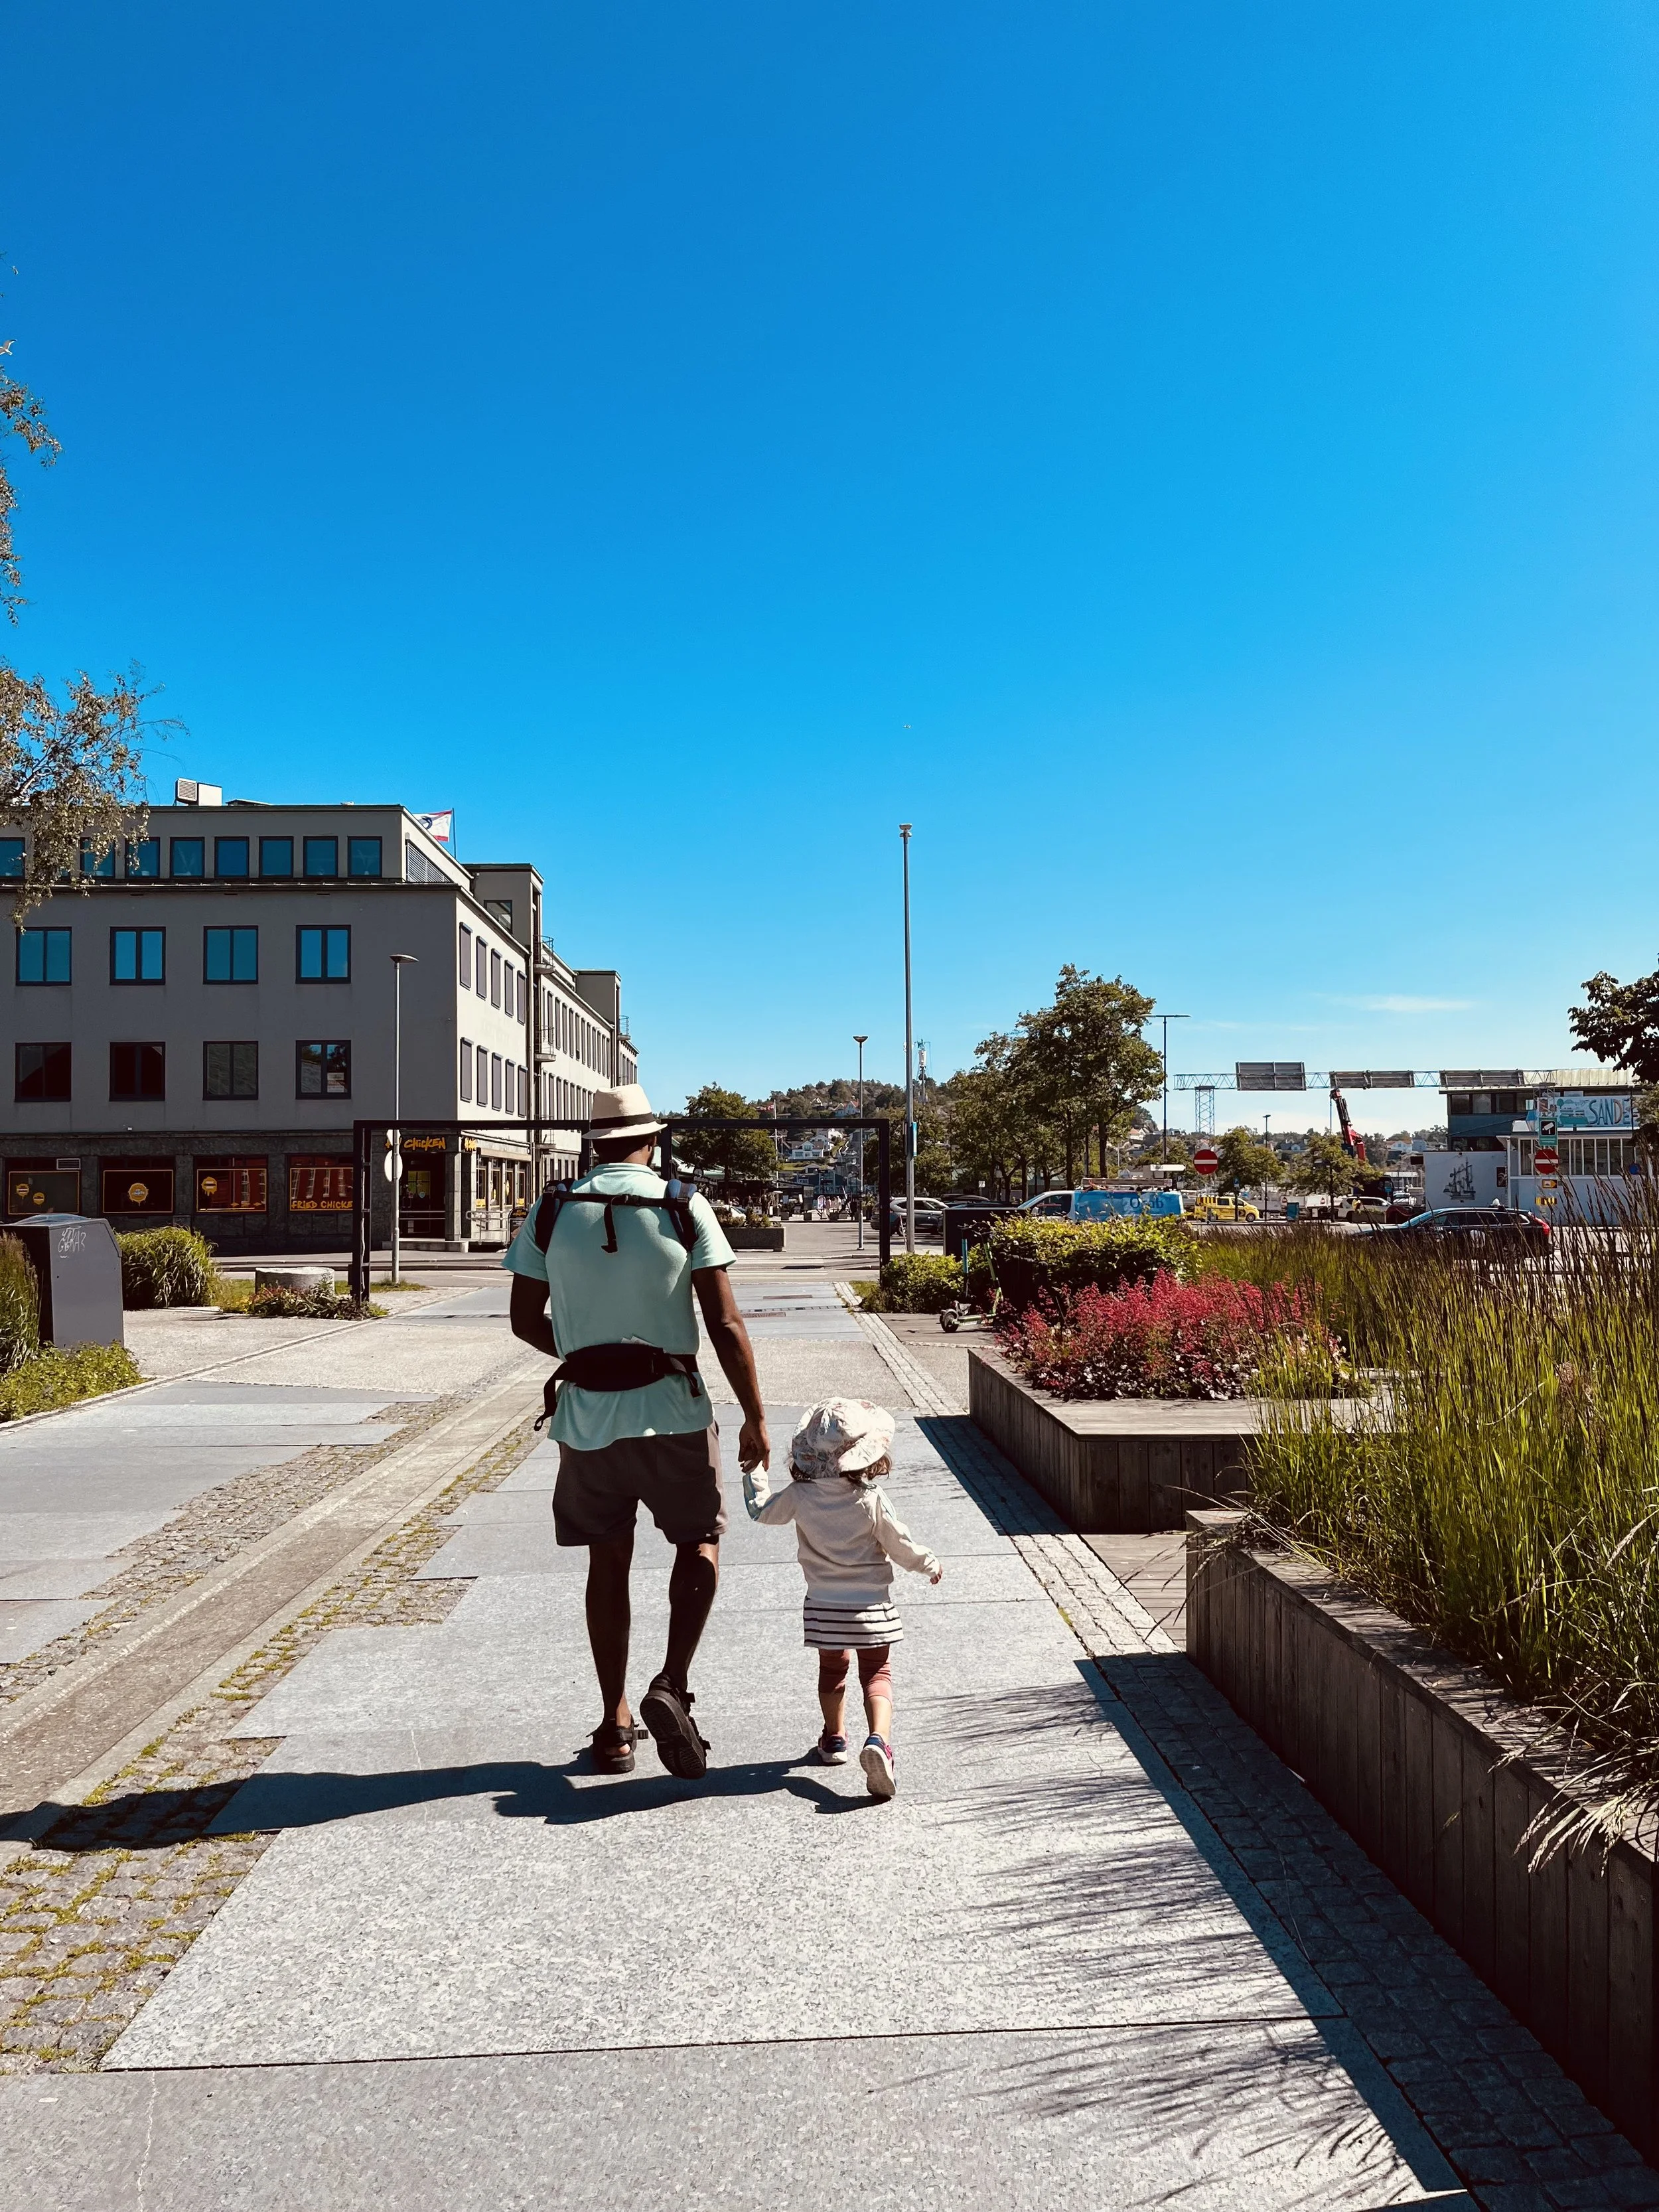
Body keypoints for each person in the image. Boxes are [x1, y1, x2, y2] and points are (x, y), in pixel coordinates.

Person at [505, 1083, 770, 1779]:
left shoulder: (552, 1209)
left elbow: (523, 1319)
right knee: (701, 1541)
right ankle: (672, 1683)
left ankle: (615, 1725)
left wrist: (587, 1355)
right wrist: (755, 1415)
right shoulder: (682, 1204)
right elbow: (725, 1323)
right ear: (650, 1140)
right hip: (673, 1409)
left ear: (596, 1143)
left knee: (607, 1562)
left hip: (587, 1417)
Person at [743, 1398, 941, 1800]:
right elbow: (900, 1544)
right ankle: (878, 1742)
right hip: (872, 1607)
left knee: (833, 1670)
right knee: (877, 1674)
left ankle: (834, 1739)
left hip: (823, 1606)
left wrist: (755, 1473)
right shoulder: (870, 1498)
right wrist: (928, 1564)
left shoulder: (800, 1496)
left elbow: (761, 1511)